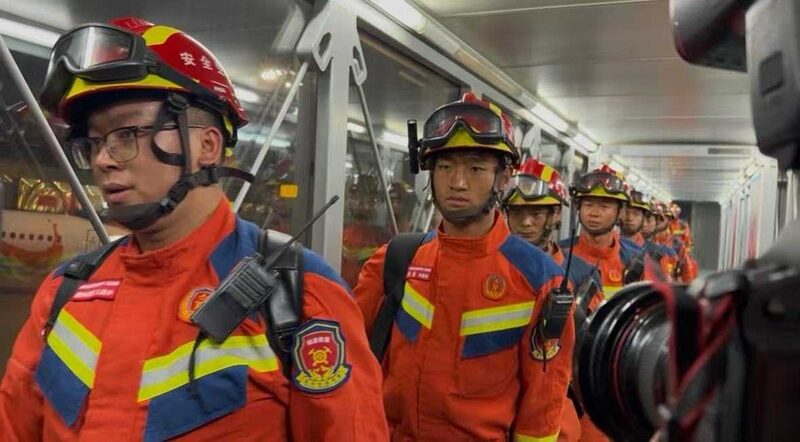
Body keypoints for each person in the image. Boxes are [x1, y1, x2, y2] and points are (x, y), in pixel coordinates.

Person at [0, 17, 387, 441]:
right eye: (93, 142)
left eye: (126, 133)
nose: (103, 160)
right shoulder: (64, 293)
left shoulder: (298, 296)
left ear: (206, 145)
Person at [354, 93, 574, 440]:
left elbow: (542, 406)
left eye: (475, 168)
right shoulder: (397, 258)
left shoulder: (540, 281)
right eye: (445, 167)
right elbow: (350, 355)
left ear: (503, 178)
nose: (457, 182)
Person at [502, 158, 604, 311]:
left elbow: (594, 332)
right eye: (516, 213)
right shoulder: (493, 265)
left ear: (556, 215)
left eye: (536, 214)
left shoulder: (583, 273)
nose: (526, 222)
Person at [559, 165, 648, 300]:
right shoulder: (559, 254)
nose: (594, 213)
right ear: (578, 208)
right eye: (588, 204)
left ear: (621, 211)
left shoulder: (637, 258)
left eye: (604, 206)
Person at [620, 188, 677, 280]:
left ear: (643, 217)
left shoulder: (657, 254)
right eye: (626, 212)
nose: (630, 218)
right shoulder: (607, 247)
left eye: (636, 213)